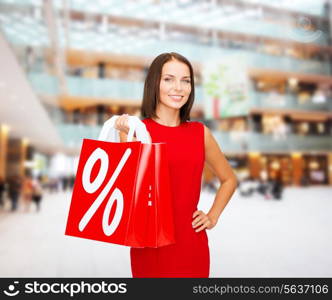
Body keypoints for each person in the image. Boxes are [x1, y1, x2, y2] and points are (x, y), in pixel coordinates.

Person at [114, 52, 238, 278]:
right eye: (169, 79)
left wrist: (212, 216)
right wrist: (125, 139)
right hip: (149, 248)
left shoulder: (200, 133)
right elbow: (129, 193)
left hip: (191, 246)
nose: (179, 87)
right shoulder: (137, 131)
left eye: (186, 80)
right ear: (155, 83)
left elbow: (229, 179)